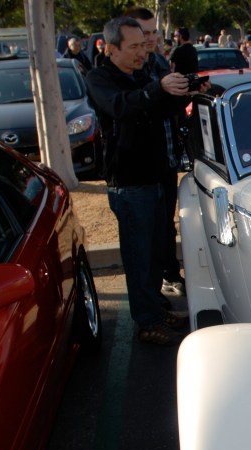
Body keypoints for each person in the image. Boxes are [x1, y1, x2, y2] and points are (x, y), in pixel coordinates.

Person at [86, 16, 194, 344]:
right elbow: (122, 108)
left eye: (143, 46)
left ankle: (156, 311)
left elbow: (158, 110)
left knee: (154, 254)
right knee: (139, 258)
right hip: (130, 184)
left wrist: (187, 92)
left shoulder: (139, 76)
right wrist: (156, 89)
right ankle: (146, 323)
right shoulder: (100, 78)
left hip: (155, 178)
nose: (141, 53)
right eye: (134, 46)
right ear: (110, 48)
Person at [128, 6, 190, 299]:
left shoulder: (159, 62)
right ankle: (155, 296)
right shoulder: (128, 70)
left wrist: (187, 90)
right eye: (145, 33)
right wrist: (160, 88)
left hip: (167, 159)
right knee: (147, 237)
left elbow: (168, 109)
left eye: (154, 32)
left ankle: (168, 276)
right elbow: (128, 106)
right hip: (140, 169)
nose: (151, 38)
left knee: (166, 225)